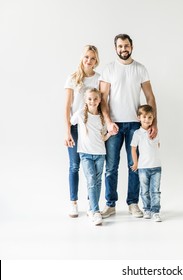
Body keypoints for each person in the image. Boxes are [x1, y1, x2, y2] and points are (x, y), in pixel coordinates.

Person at [99, 33, 158, 219]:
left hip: (135, 124)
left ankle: (133, 203)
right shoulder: (108, 69)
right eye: (120, 46)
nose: (123, 49)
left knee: (134, 165)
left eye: (126, 46)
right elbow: (102, 99)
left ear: (131, 46)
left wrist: (153, 123)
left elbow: (150, 97)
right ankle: (110, 205)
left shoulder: (140, 69)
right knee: (111, 166)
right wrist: (108, 122)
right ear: (115, 48)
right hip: (114, 125)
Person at [64, 45, 100, 218]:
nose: (89, 61)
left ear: (96, 61)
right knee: (74, 165)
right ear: (82, 58)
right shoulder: (73, 78)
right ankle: (73, 202)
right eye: (86, 57)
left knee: (92, 168)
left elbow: (103, 104)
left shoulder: (99, 79)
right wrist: (67, 131)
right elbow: (66, 107)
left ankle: (91, 203)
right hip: (75, 127)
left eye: (92, 58)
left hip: (92, 128)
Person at [70, 88, 111, 226]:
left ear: (99, 100)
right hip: (85, 154)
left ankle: (91, 208)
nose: (92, 101)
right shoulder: (81, 114)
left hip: (100, 153)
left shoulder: (102, 117)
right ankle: (95, 211)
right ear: (85, 100)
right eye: (89, 99)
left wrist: (110, 133)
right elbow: (71, 122)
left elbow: (103, 137)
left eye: (95, 99)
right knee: (92, 180)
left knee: (98, 181)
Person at [131, 105, 162, 222]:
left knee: (155, 191)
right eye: (144, 117)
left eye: (150, 117)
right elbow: (133, 149)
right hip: (143, 167)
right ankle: (147, 210)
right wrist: (136, 163)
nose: (147, 120)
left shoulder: (155, 132)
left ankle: (155, 211)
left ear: (153, 118)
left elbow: (158, 145)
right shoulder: (137, 133)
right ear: (139, 117)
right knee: (144, 191)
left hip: (156, 167)